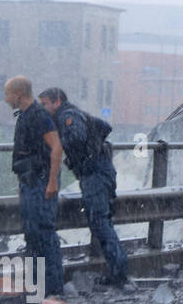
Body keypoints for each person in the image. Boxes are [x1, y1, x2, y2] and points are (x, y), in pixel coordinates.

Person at [37, 87, 130, 288]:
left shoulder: (67, 115)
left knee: (100, 222)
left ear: (57, 101)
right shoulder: (72, 114)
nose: (44, 108)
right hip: (99, 171)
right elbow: (104, 127)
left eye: (45, 104)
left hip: (95, 174)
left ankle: (120, 274)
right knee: (102, 222)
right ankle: (118, 272)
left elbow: (76, 136)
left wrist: (57, 147)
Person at [4, 76, 65, 301]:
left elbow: (57, 147)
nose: (5, 99)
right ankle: (38, 285)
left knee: (43, 233)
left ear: (17, 94)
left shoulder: (38, 116)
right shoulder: (26, 116)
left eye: (7, 94)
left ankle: (51, 287)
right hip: (30, 182)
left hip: (40, 182)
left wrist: (52, 182)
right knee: (33, 233)